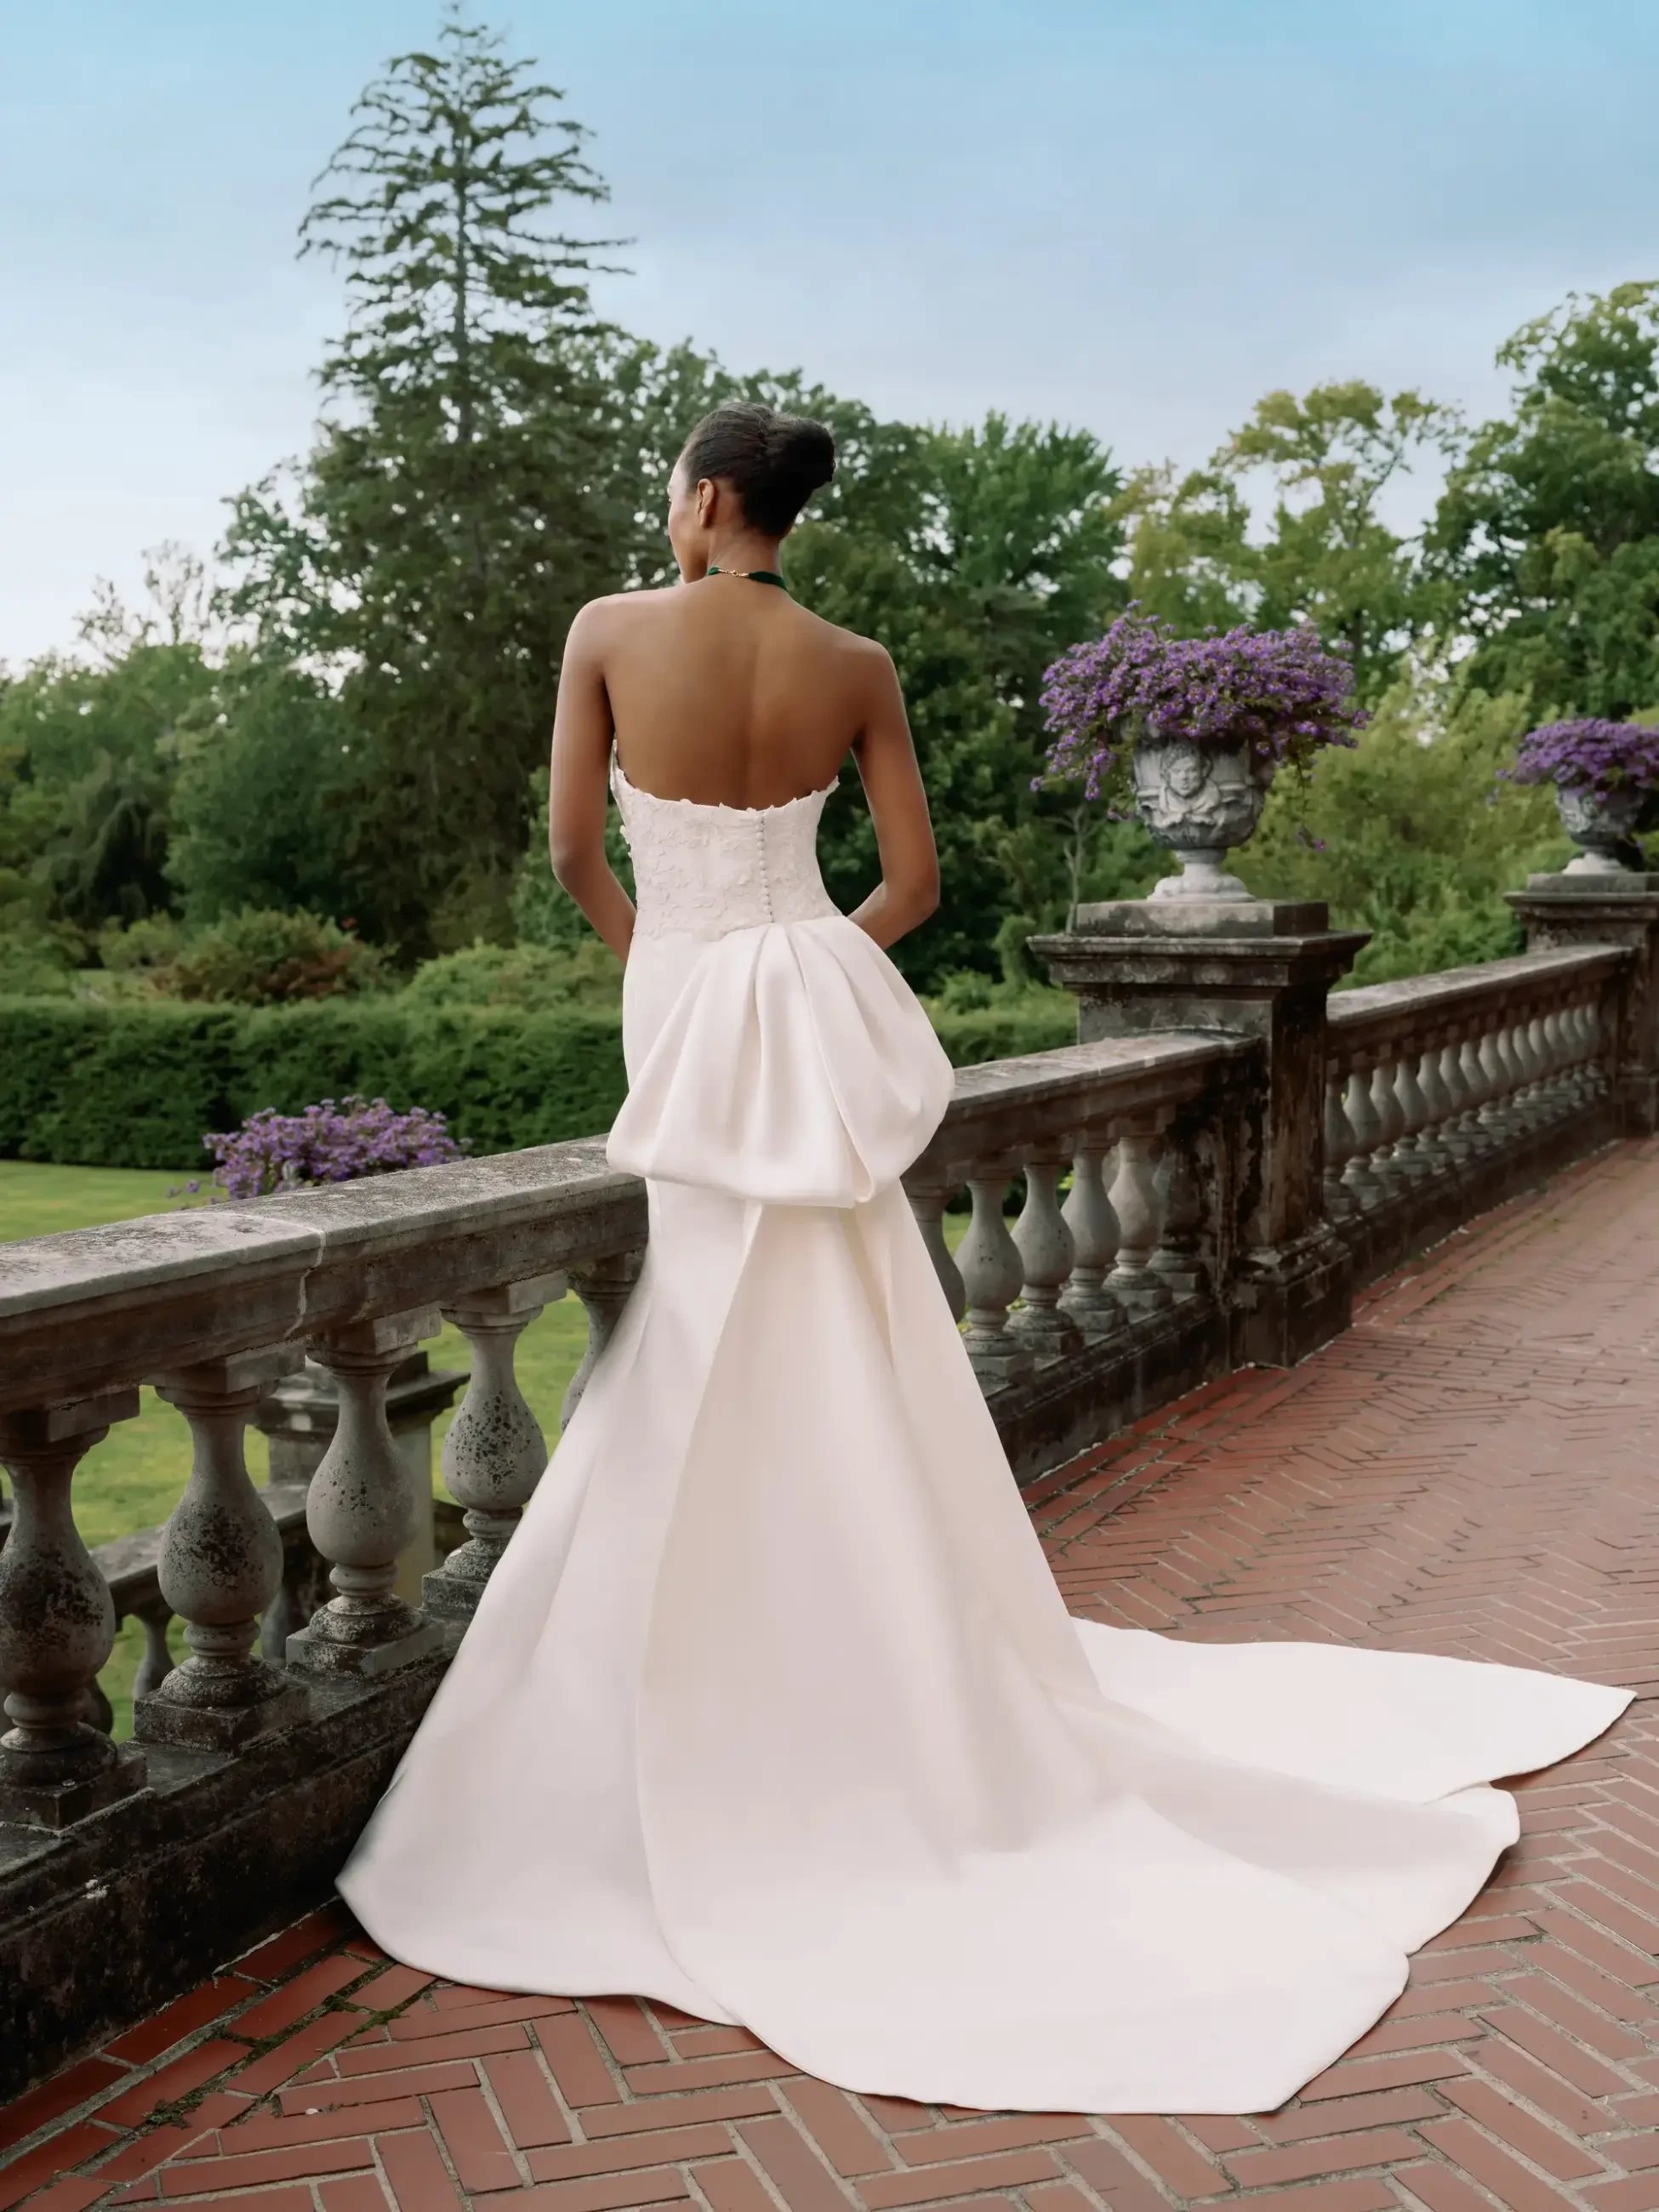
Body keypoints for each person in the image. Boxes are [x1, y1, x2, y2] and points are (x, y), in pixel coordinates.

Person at [338, 402, 1629, 2115]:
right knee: (835, 1343)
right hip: (805, 1005)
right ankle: (869, 1659)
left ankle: (705, 1692)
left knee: (693, 1342)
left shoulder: (606, 634)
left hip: (689, 1013)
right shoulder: (854, 658)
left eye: (675, 487)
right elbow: (918, 883)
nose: (671, 509)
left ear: (710, 496)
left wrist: (683, 971)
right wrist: (797, 955)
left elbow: (580, 851)